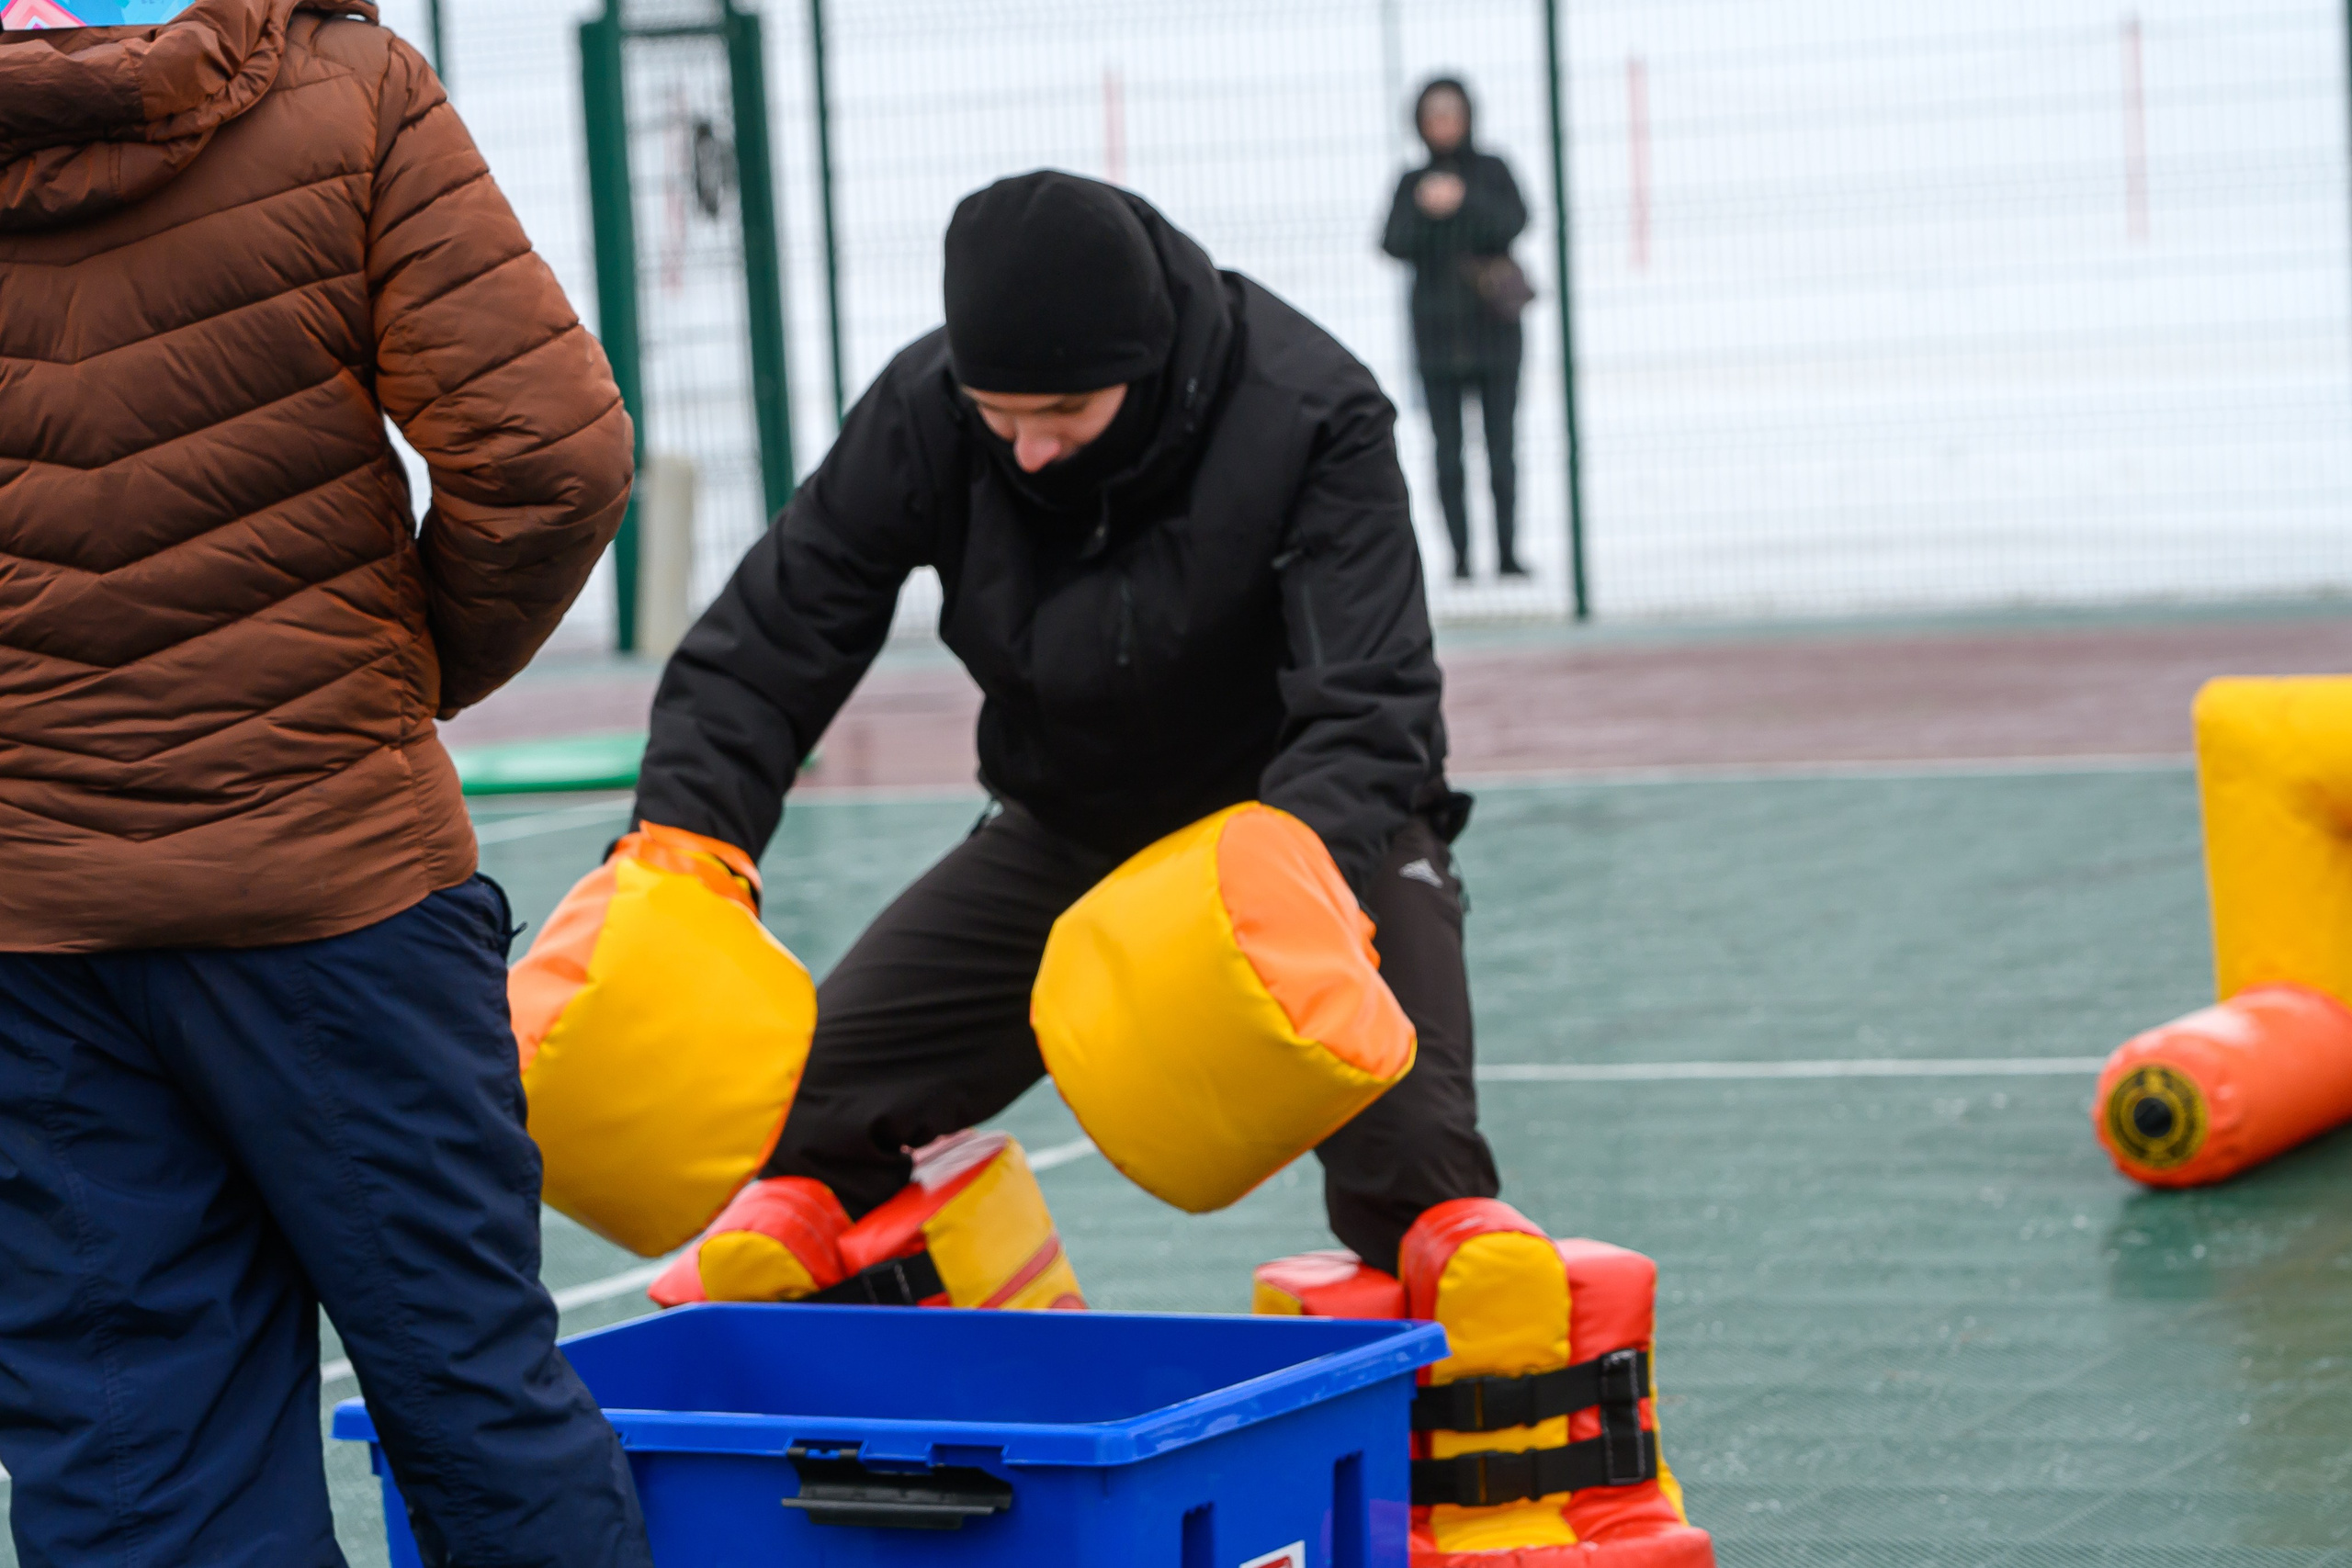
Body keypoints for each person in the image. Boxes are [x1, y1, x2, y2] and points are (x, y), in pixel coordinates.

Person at [0, 2, 653, 1564]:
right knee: (474, 1401)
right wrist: (391, 679)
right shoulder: (342, 86)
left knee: (134, 1453)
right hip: (341, 888)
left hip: (33, 928)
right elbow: (550, 453)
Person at [633, 168, 1499, 1281]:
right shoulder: (926, 409)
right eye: (999, 420)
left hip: (1305, 841)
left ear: (1141, 372)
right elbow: (769, 646)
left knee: (1417, 1168)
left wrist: (1279, 889)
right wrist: (681, 849)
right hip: (1073, 828)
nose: (1025, 449)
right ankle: (933, 1387)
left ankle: (1459, 1384)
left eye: (1060, 419)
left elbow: (1370, 704)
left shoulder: (1309, 410)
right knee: (799, 1116)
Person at [1383, 75, 1532, 581]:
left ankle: (1509, 554)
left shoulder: (1492, 172)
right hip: (1436, 340)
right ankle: (1461, 559)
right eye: (1434, 114)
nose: (1444, 123)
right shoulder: (1411, 182)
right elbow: (1392, 242)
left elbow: (1515, 223)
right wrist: (1427, 209)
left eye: (1452, 112)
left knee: (1501, 449)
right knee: (1446, 453)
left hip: (1496, 335)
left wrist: (1462, 200)